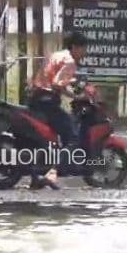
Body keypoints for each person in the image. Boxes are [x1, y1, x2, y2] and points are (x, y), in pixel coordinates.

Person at [28, 31, 88, 189]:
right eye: (83, 48)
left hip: (35, 98)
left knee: (47, 139)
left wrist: (72, 83)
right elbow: (56, 83)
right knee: (72, 136)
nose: (84, 53)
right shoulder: (70, 62)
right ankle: (53, 173)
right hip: (47, 102)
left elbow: (51, 75)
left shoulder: (57, 55)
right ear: (75, 47)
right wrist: (75, 97)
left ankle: (36, 176)